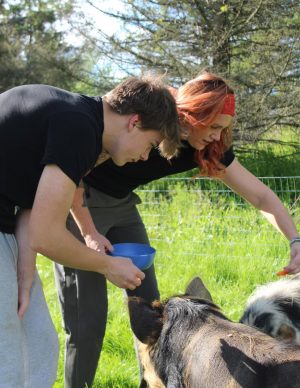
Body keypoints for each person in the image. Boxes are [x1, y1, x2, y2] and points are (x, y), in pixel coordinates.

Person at [55, 71, 300, 388]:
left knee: (151, 312)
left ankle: (151, 382)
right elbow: (73, 172)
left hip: (123, 206)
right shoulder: (151, 116)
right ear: (191, 114)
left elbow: (261, 196)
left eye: (223, 130)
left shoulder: (205, 148)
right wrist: (87, 232)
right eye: (212, 126)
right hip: (79, 206)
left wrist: (294, 239)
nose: (216, 136)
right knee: (87, 319)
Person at [0, 75, 181, 388]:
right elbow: (46, 234)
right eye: (150, 145)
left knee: (39, 344)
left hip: (6, 228)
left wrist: (24, 278)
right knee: (8, 357)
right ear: (134, 121)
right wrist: (108, 265)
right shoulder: (78, 127)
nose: (144, 157)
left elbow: (30, 206)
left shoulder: (76, 119)